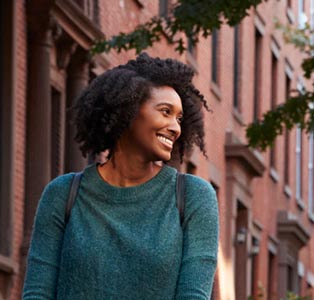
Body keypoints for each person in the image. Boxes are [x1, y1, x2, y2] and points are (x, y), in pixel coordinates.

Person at [22, 53, 218, 299]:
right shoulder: (63, 194)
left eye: (179, 118)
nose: (176, 127)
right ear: (128, 110)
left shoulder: (193, 197)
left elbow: (194, 296)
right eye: (165, 112)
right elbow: (37, 293)